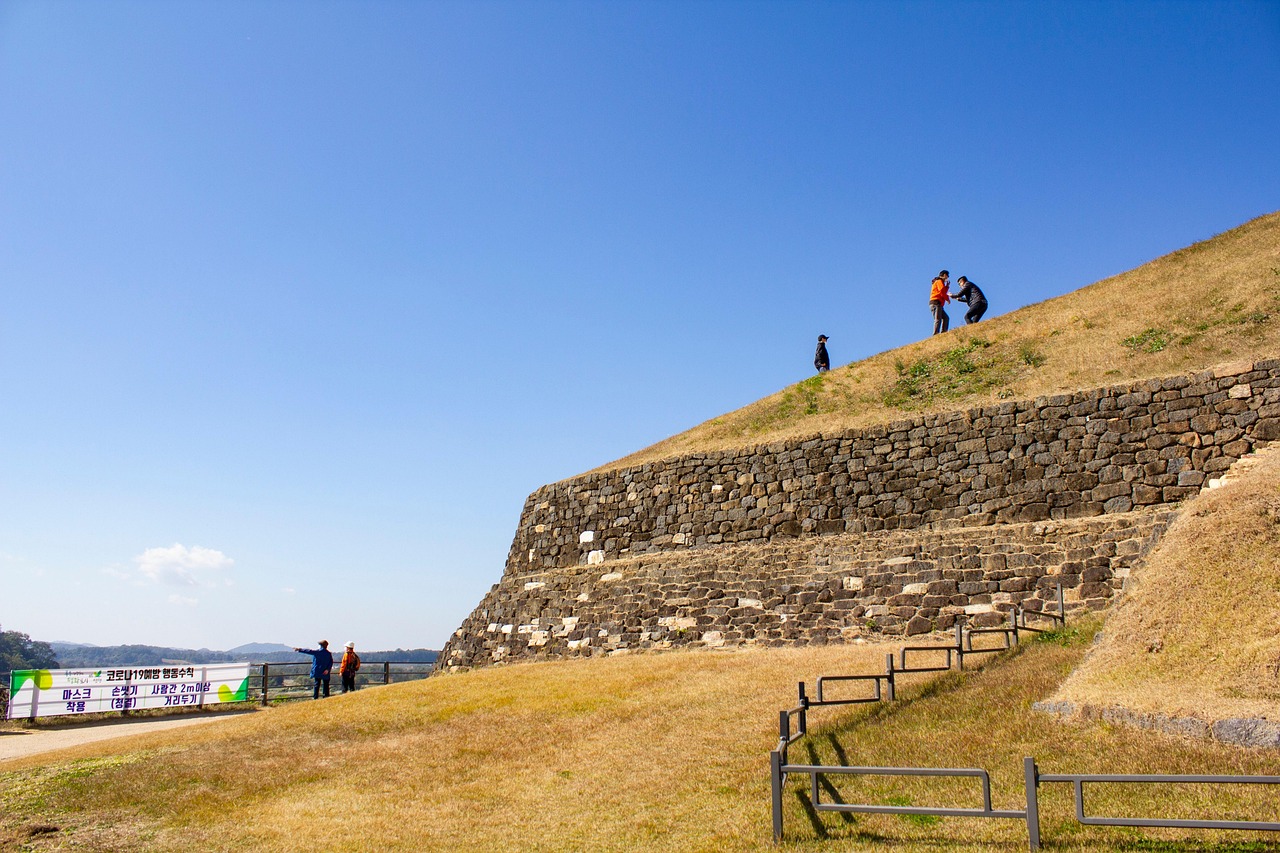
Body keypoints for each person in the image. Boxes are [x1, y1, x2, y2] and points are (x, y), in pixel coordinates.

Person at [929, 270, 951, 335]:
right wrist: (947, 299)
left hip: (937, 303)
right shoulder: (939, 281)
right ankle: (936, 334)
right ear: (944, 275)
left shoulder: (939, 282)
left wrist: (947, 287)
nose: (948, 277)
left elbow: (942, 291)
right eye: (947, 275)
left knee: (945, 318)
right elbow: (942, 292)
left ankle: (943, 332)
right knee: (938, 319)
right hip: (936, 303)